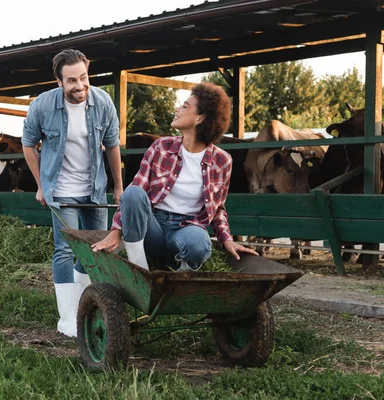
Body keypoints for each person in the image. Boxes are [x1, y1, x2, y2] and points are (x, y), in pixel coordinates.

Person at [92, 82, 257, 270]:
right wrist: (116, 229)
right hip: (151, 226)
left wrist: (227, 240)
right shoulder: (161, 147)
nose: (177, 109)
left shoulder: (222, 161)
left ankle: (179, 279)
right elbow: (135, 191)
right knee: (133, 193)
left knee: (200, 245)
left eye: (185, 106)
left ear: (200, 118)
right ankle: (139, 267)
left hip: (186, 228)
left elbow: (218, 209)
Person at [22, 49, 123, 337]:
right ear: (58, 82)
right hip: (62, 190)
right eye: (71, 81)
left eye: (83, 77)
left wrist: (118, 186)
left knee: (97, 250)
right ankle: (67, 318)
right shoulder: (43, 106)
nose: (79, 86)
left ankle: (87, 307)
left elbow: (112, 145)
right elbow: (28, 144)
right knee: (65, 249)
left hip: (95, 190)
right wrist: (41, 185)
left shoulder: (103, 101)